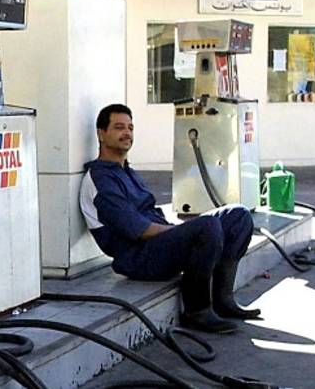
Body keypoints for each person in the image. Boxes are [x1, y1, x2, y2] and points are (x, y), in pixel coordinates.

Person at [79, 104, 260, 333]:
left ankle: (222, 300)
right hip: (137, 258)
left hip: (157, 247)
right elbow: (138, 229)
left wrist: (183, 232)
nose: (127, 133)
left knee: (238, 216)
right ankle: (197, 311)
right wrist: (185, 233)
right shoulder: (100, 179)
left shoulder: (127, 172)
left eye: (130, 128)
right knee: (206, 227)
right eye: (118, 127)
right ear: (101, 134)